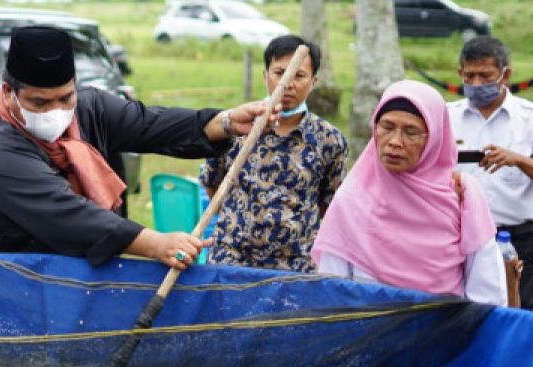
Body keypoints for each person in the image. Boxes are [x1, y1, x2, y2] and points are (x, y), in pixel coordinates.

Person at [0, 25, 274, 268]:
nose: (54, 111)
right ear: (7, 93)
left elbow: (149, 124)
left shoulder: (88, 107)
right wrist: (156, 242)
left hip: (61, 280)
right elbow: (70, 216)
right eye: (39, 102)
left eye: (65, 97)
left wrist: (228, 122)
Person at [312, 80, 506, 306]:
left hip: (444, 333)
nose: (395, 142)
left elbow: (487, 292)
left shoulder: (461, 195)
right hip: (370, 333)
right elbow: (333, 290)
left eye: (411, 132)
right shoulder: (353, 197)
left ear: (434, 139)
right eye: (386, 127)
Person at [200, 35, 347, 272]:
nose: (288, 84)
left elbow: (329, 204)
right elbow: (212, 183)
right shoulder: (235, 126)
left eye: (299, 76)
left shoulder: (329, 139)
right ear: (265, 75)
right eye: (280, 73)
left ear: (313, 81)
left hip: (294, 268)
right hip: (231, 262)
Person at [447, 36, 533, 308]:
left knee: (520, 314)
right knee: (470, 313)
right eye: (469, 75)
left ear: (505, 75)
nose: (475, 84)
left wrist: (518, 160)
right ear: (459, 73)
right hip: (460, 237)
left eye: (485, 76)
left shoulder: (528, 119)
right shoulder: (445, 117)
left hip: (517, 238)